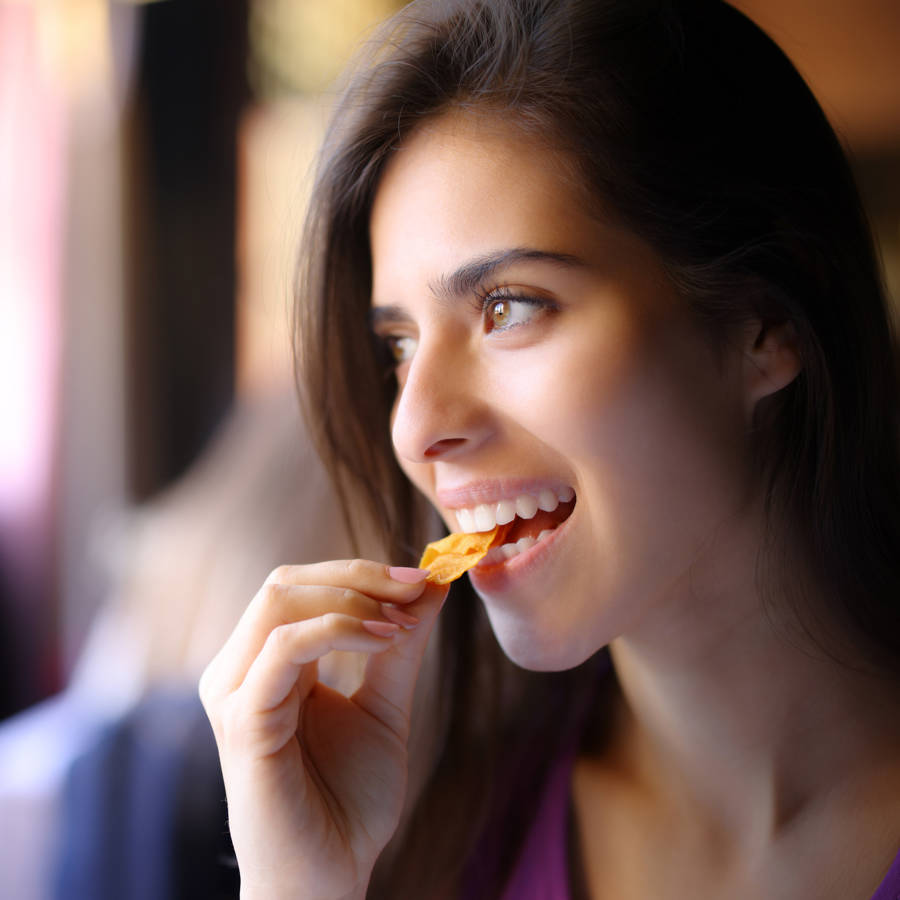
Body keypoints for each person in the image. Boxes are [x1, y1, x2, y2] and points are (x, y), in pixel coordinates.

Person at [198, 0, 900, 897]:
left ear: (766, 320)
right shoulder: (438, 838)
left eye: (509, 307)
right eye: (399, 345)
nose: (414, 427)